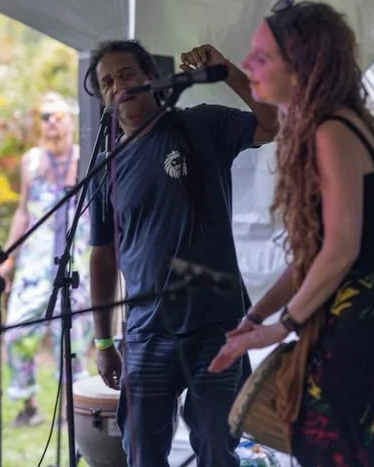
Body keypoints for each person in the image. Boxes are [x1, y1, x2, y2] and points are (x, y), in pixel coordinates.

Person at [208, 0, 374, 466]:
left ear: (301, 67)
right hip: (359, 321)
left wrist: (280, 328)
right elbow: (313, 256)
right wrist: (254, 319)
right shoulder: (329, 125)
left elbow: (341, 249)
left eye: (262, 56)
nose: (248, 64)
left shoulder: (332, 132)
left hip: (367, 329)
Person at [85, 38, 277, 467]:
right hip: (147, 333)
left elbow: (273, 123)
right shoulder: (105, 165)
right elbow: (102, 256)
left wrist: (227, 70)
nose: (119, 86)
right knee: (142, 453)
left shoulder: (201, 125)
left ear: (153, 77)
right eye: (108, 82)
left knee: (216, 448)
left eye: (128, 74)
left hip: (217, 329)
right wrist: (103, 340)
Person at [0, 91, 92, 427]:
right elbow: (23, 212)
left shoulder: (84, 158)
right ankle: (29, 404)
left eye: (58, 116)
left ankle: (69, 411)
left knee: (74, 336)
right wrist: (8, 257)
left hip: (75, 260)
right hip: (36, 261)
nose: (52, 123)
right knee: (17, 332)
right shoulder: (32, 161)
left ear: (70, 120)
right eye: (45, 117)